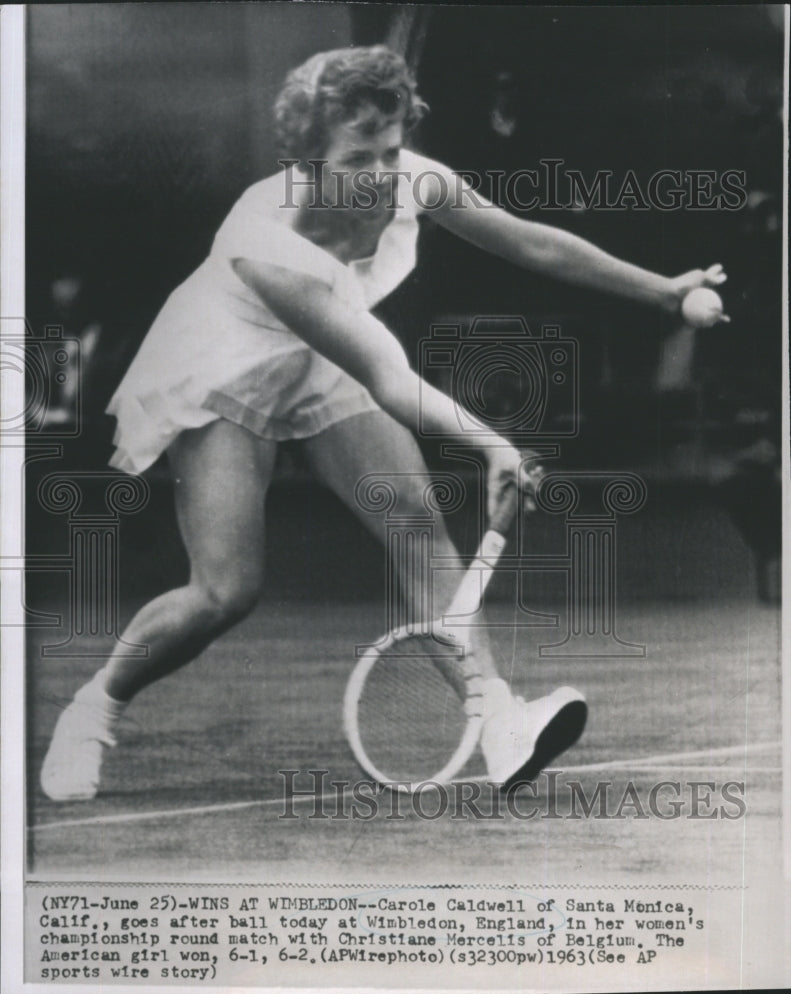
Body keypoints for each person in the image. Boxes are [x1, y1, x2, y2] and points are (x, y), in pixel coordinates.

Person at [41, 46, 727, 801]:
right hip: (222, 366)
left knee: (413, 523)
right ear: (305, 159)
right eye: (355, 157)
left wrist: (664, 292)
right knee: (225, 592)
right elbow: (387, 376)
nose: (379, 174)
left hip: (328, 350)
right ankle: (94, 707)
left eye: (390, 149)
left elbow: (528, 239)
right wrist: (490, 442)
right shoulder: (261, 246)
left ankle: (497, 720)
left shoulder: (413, 180)